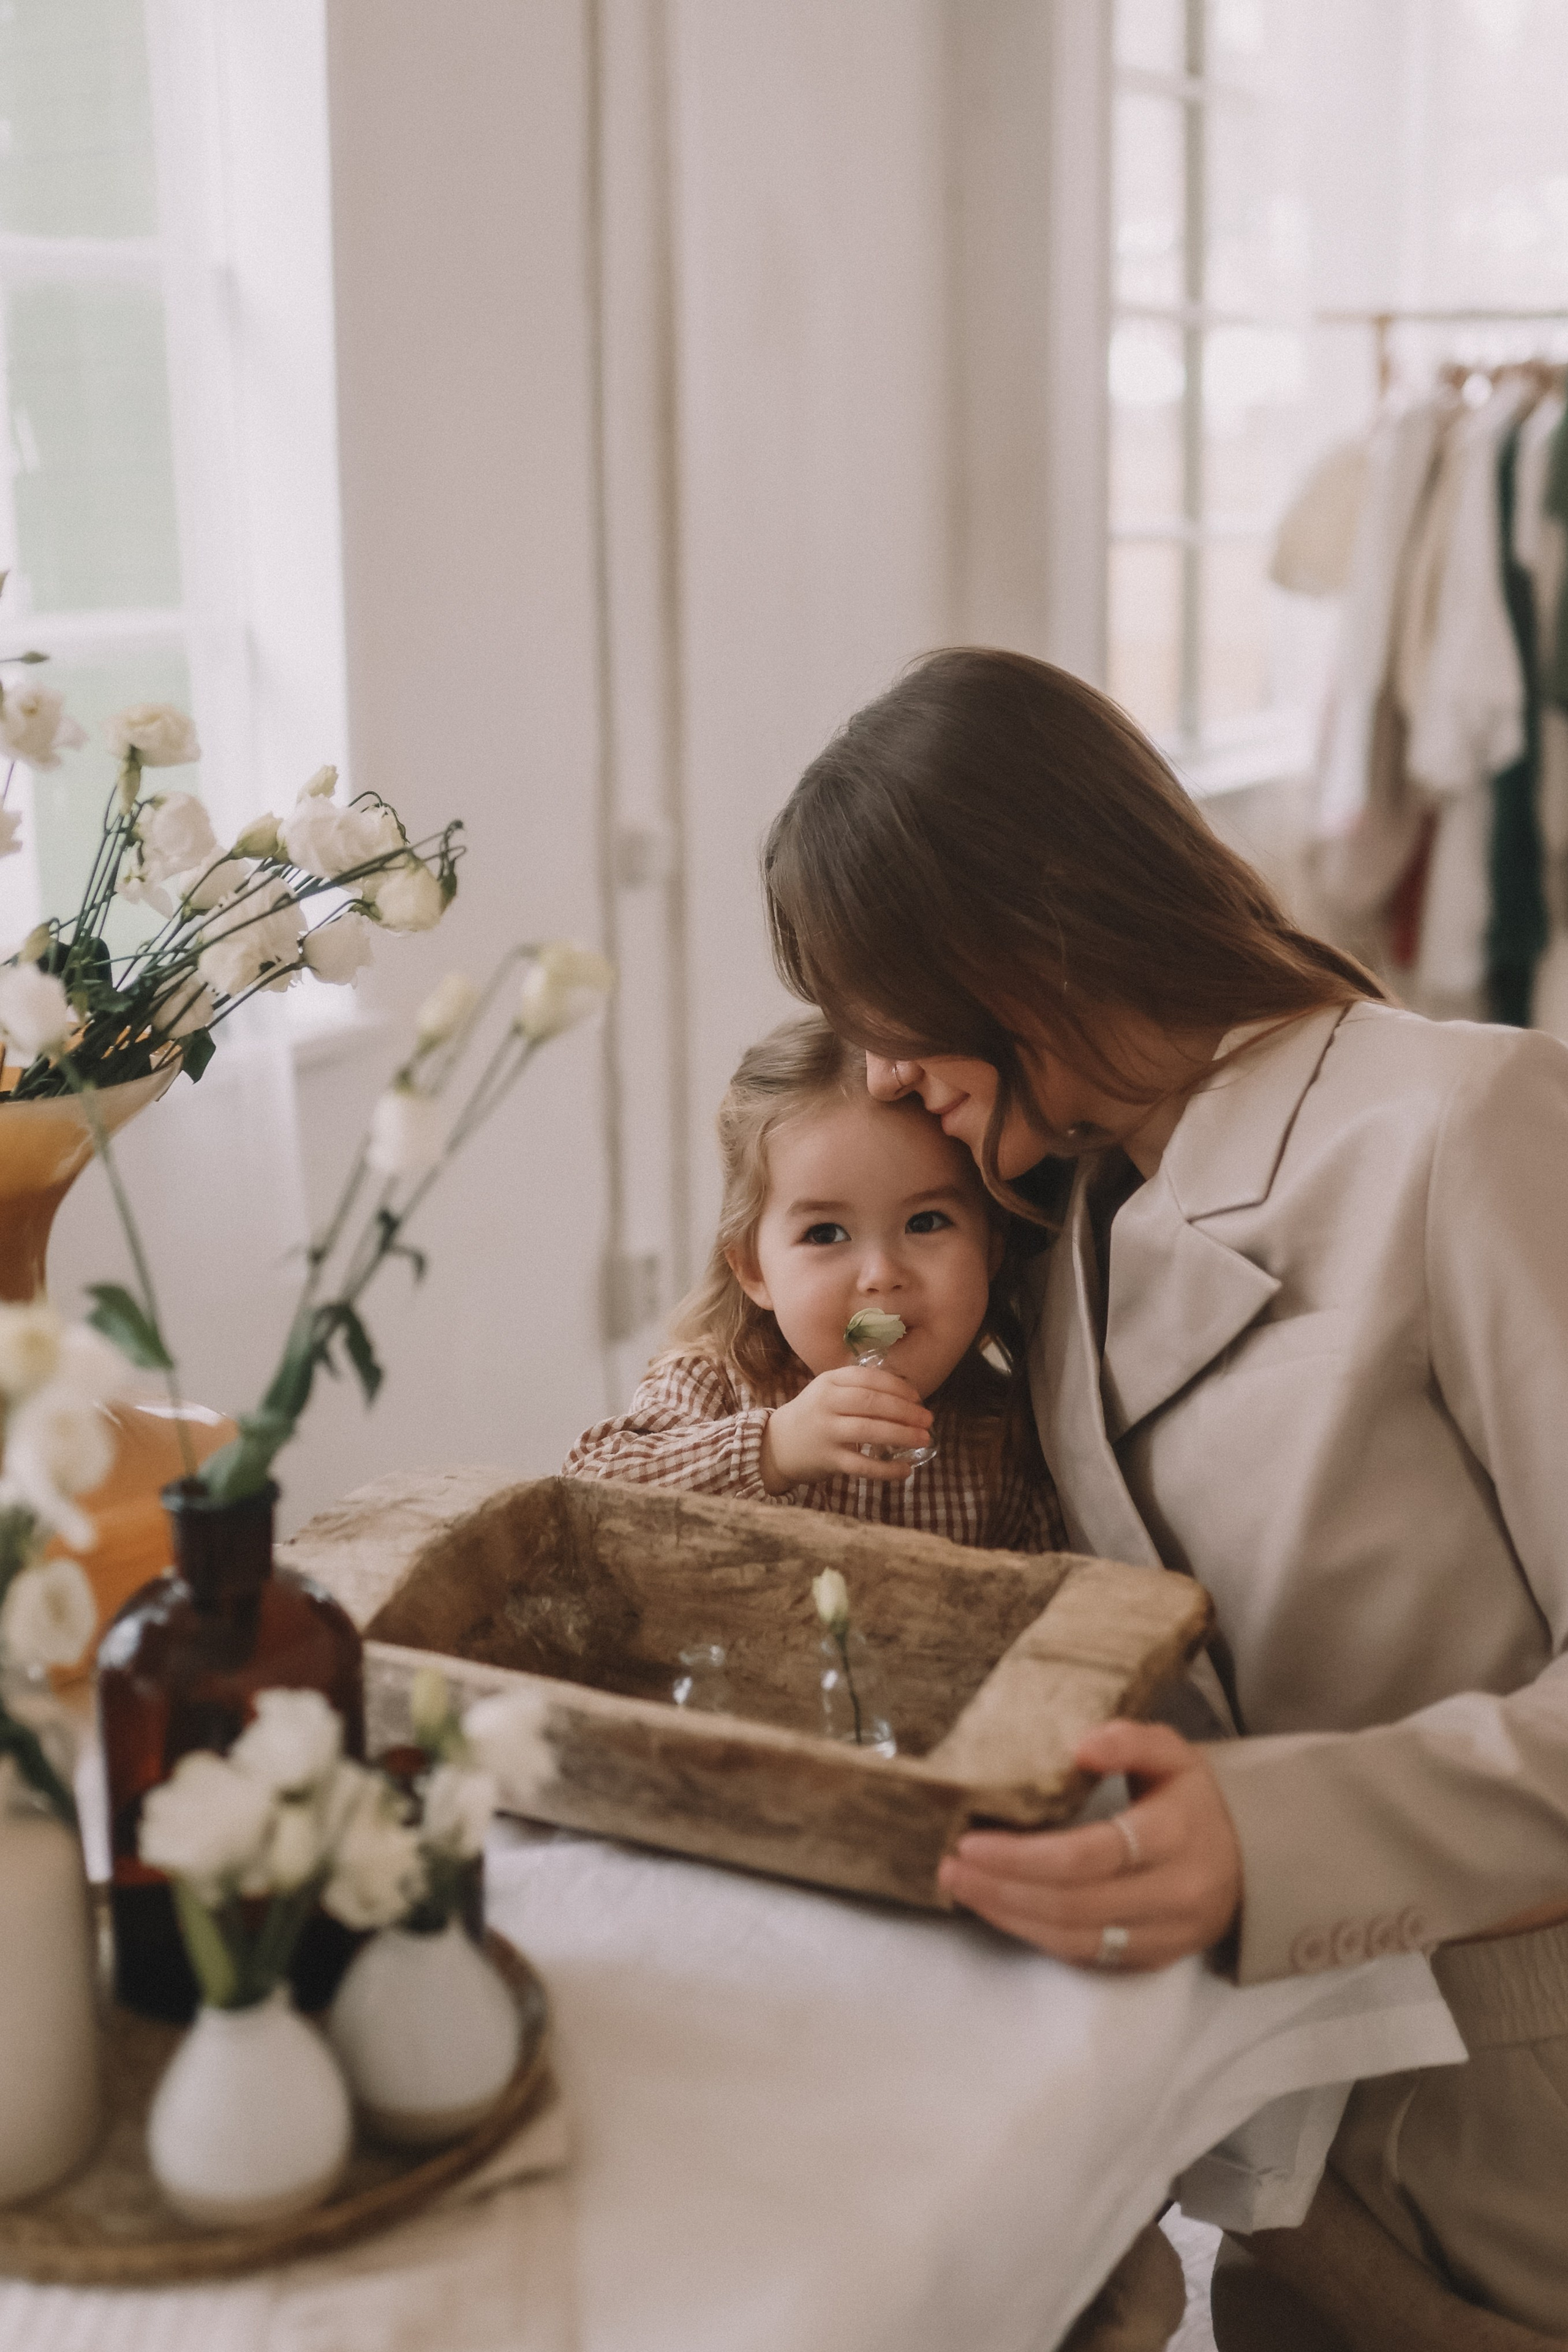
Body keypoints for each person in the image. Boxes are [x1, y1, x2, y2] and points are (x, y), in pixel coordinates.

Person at [761, 647, 1568, 2340]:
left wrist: (1268, 1838)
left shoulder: (1465, 1125)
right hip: (1273, 2162)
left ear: (1010, 937)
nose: (884, 1072)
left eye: (887, 1010)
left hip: (1513, 2154)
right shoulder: (1063, 1225)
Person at [565, 1013, 1062, 1553]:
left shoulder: (1009, 1431)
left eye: (926, 1222)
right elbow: (584, 1496)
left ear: (991, 1247)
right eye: (826, 1233)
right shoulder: (717, 1383)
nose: (880, 1276)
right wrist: (773, 1451)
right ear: (754, 1271)